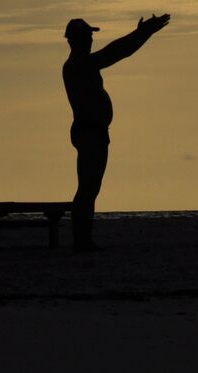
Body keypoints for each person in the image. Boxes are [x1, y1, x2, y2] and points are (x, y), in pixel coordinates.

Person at [62, 13, 169, 250]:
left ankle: (83, 238)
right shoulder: (77, 65)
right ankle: (81, 239)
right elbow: (116, 52)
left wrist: (142, 34)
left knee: (91, 187)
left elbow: (116, 52)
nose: (91, 39)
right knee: (88, 187)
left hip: (95, 131)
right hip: (88, 132)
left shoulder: (84, 64)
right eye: (87, 35)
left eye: (91, 35)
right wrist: (142, 33)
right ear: (75, 39)